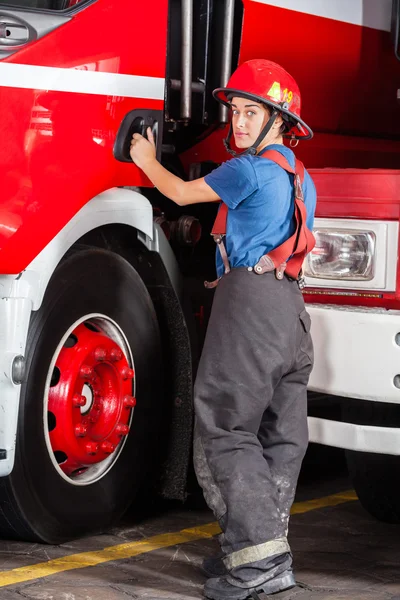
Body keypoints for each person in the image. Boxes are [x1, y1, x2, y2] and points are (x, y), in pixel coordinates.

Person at [129, 59, 316, 600]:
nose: (237, 123)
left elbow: (182, 195)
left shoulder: (250, 169)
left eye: (251, 112)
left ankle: (260, 566)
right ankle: (253, 549)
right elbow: (280, 237)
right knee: (281, 437)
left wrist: (145, 158)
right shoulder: (300, 175)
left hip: (252, 309)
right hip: (290, 312)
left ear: (278, 119)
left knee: (227, 431)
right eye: (234, 111)